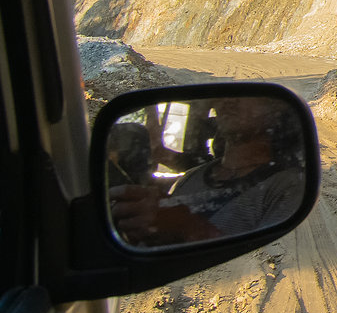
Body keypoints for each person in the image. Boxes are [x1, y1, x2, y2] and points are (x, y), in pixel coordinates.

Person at [109, 96, 304, 247]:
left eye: (246, 95)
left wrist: (184, 225)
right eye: (222, 96)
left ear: (276, 111)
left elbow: (267, 258)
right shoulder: (191, 176)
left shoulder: (290, 186)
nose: (227, 100)